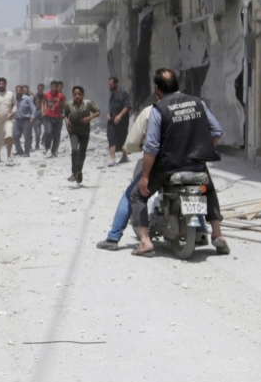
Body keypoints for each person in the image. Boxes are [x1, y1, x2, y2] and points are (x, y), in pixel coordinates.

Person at [130, 68, 230, 257]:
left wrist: (144, 177)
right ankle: (218, 234)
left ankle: (144, 242)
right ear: (177, 85)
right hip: (196, 163)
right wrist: (201, 149)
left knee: (137, 195)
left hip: (168, 166)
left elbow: (151, 146)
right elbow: (216, 131)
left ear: (157, 89)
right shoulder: (198, 102)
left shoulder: (158, 109)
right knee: (209, 189)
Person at [96, 103, 154, 250]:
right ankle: (206, 231)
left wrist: (131, 148)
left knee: (132, 195)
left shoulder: (151, 111)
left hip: (162, 166)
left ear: (158, 90)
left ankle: (114, 237)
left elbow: (133, 142)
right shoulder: (196, 105)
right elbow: (216, 132)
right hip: (192, 164)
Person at [63, 86, 100, 185]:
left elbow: (98, 111)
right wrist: (66, 120)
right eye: (75, 94)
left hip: (84, 132)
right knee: (75, 150)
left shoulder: (88, 103)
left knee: (82, 153)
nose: (77, 96)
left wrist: (89, 118)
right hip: (74, 131)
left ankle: (79, 172)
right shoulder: (69, 104)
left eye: (79, 94)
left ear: (83, 95)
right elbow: (65, 113)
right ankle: (74, 172)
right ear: (73, 95)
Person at [106, 77, 132, 166]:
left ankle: (125, 156)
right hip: (112, 121)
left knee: (122, 138)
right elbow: (111, 108)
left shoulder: (123, 93)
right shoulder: (112, 96)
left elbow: (127, 106)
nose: (109, 86)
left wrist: (120, 116)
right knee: (111, 137)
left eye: (111, 85)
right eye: (109, 85)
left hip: (122, 121)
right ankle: (113, 159)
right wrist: (109, 115)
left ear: (116, 84)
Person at [40, 81, 66, 157]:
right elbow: (43, 103)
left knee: (56, 136)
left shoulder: (61, 95)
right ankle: (47, 146)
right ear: (50, 87)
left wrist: (65, 114)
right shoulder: (47, 95)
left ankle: (54, 151)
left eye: (55, 86)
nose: (54, 88)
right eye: (52, 86)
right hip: (48, 117)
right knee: (48, 132)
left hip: (58, 118)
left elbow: (64, 104)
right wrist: (43, 111)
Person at [12, 84, 38, 156]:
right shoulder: (14, 98)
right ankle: (19, 150)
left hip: (26, 120)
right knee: (15, 135)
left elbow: (34, 109)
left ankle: (27, 151)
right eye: (17, 90)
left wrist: (32, 118)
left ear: (22, 91)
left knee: (27, 136)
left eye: (20, 90)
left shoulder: (27, 99)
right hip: (17, 120)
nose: (18, 92)